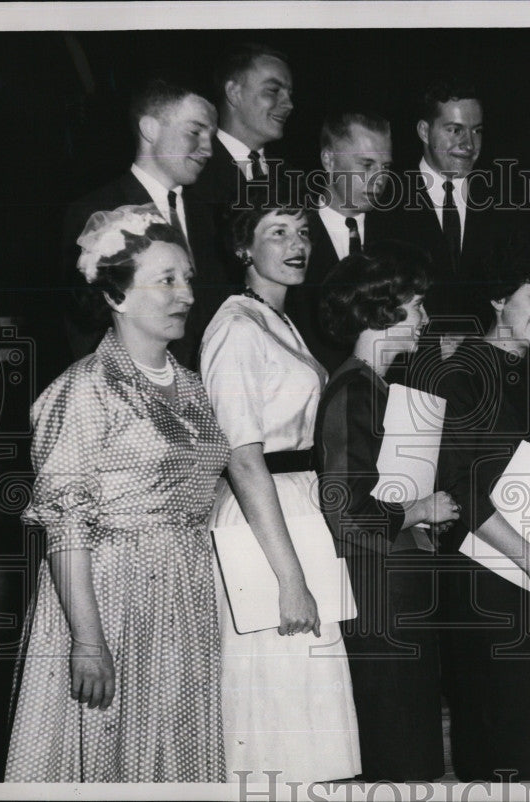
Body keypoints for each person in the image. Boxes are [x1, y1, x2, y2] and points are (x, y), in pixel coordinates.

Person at [5, 205, 229, 782]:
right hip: (109, 595)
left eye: (187, 279)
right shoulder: (82, 390)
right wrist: (86, 642)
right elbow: (66, 525)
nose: (185, 295)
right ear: (116, 295)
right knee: (108, 754)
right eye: (166, 280)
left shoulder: (192, 388)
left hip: (183, 594)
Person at [198, 200, 361, 782]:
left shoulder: (276, 319)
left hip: (295, 505)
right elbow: (242, 459)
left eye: (303, 232)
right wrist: (290, 578)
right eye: (278, 233)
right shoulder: (235, 328)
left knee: (306, 703)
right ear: (245, 249)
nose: (298, 244)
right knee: (273, 702)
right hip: (262, 521)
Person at [434, 233, 530, 781]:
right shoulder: (462, 374)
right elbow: (459, 489)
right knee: (506, 744)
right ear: (499, 298)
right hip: (487, 592)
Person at [314, 241, 460, 780]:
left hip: (397, 590)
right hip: (379, 596)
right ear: (382, 309)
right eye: (416, 305)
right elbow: (344, 511)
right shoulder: (353, 389)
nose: (424, 318)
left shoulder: (377, 387)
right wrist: (419, 508)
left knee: (410, 741)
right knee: (397, 747)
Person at [61, 78, 220, 367]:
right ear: (150, 129)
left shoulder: (208, 213)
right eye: (195, 131)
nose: (208, 149)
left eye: (212, 136)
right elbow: (84, 325)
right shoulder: (94, 209)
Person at [379, 77, 496, 351]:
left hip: (485, 369)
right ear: (423, 131)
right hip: (408, 371)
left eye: (477, 131)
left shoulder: (504, 200)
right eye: (455, 130)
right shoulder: (386, 199)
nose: (469, 144)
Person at [289, 111, 393, 373]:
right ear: (329, 160)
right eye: (366, 165)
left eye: (385, 168)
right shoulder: (291, 233)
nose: (379, 180)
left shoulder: (397, 234)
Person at [191, 42, 295, 211]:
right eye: (274, 90)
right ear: (234, 93)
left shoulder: (292, 179)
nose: (289, 105)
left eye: (289, 94)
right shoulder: (193, 173)